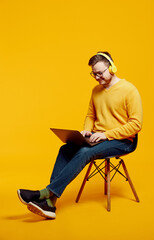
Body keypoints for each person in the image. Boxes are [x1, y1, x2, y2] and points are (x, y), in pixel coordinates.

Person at [17, 51, 143, 219]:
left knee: (85, 152)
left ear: (112, 67)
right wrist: (87, 131)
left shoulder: (129, 90)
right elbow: (90, 116)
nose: (97, 77)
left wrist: (107, 134)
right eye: (94, 74)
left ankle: (45, 193)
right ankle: (50, 205)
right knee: (65, 149)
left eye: (100, 73)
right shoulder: (95, 91)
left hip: (123, 140)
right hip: (98, 137)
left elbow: (136, 125)